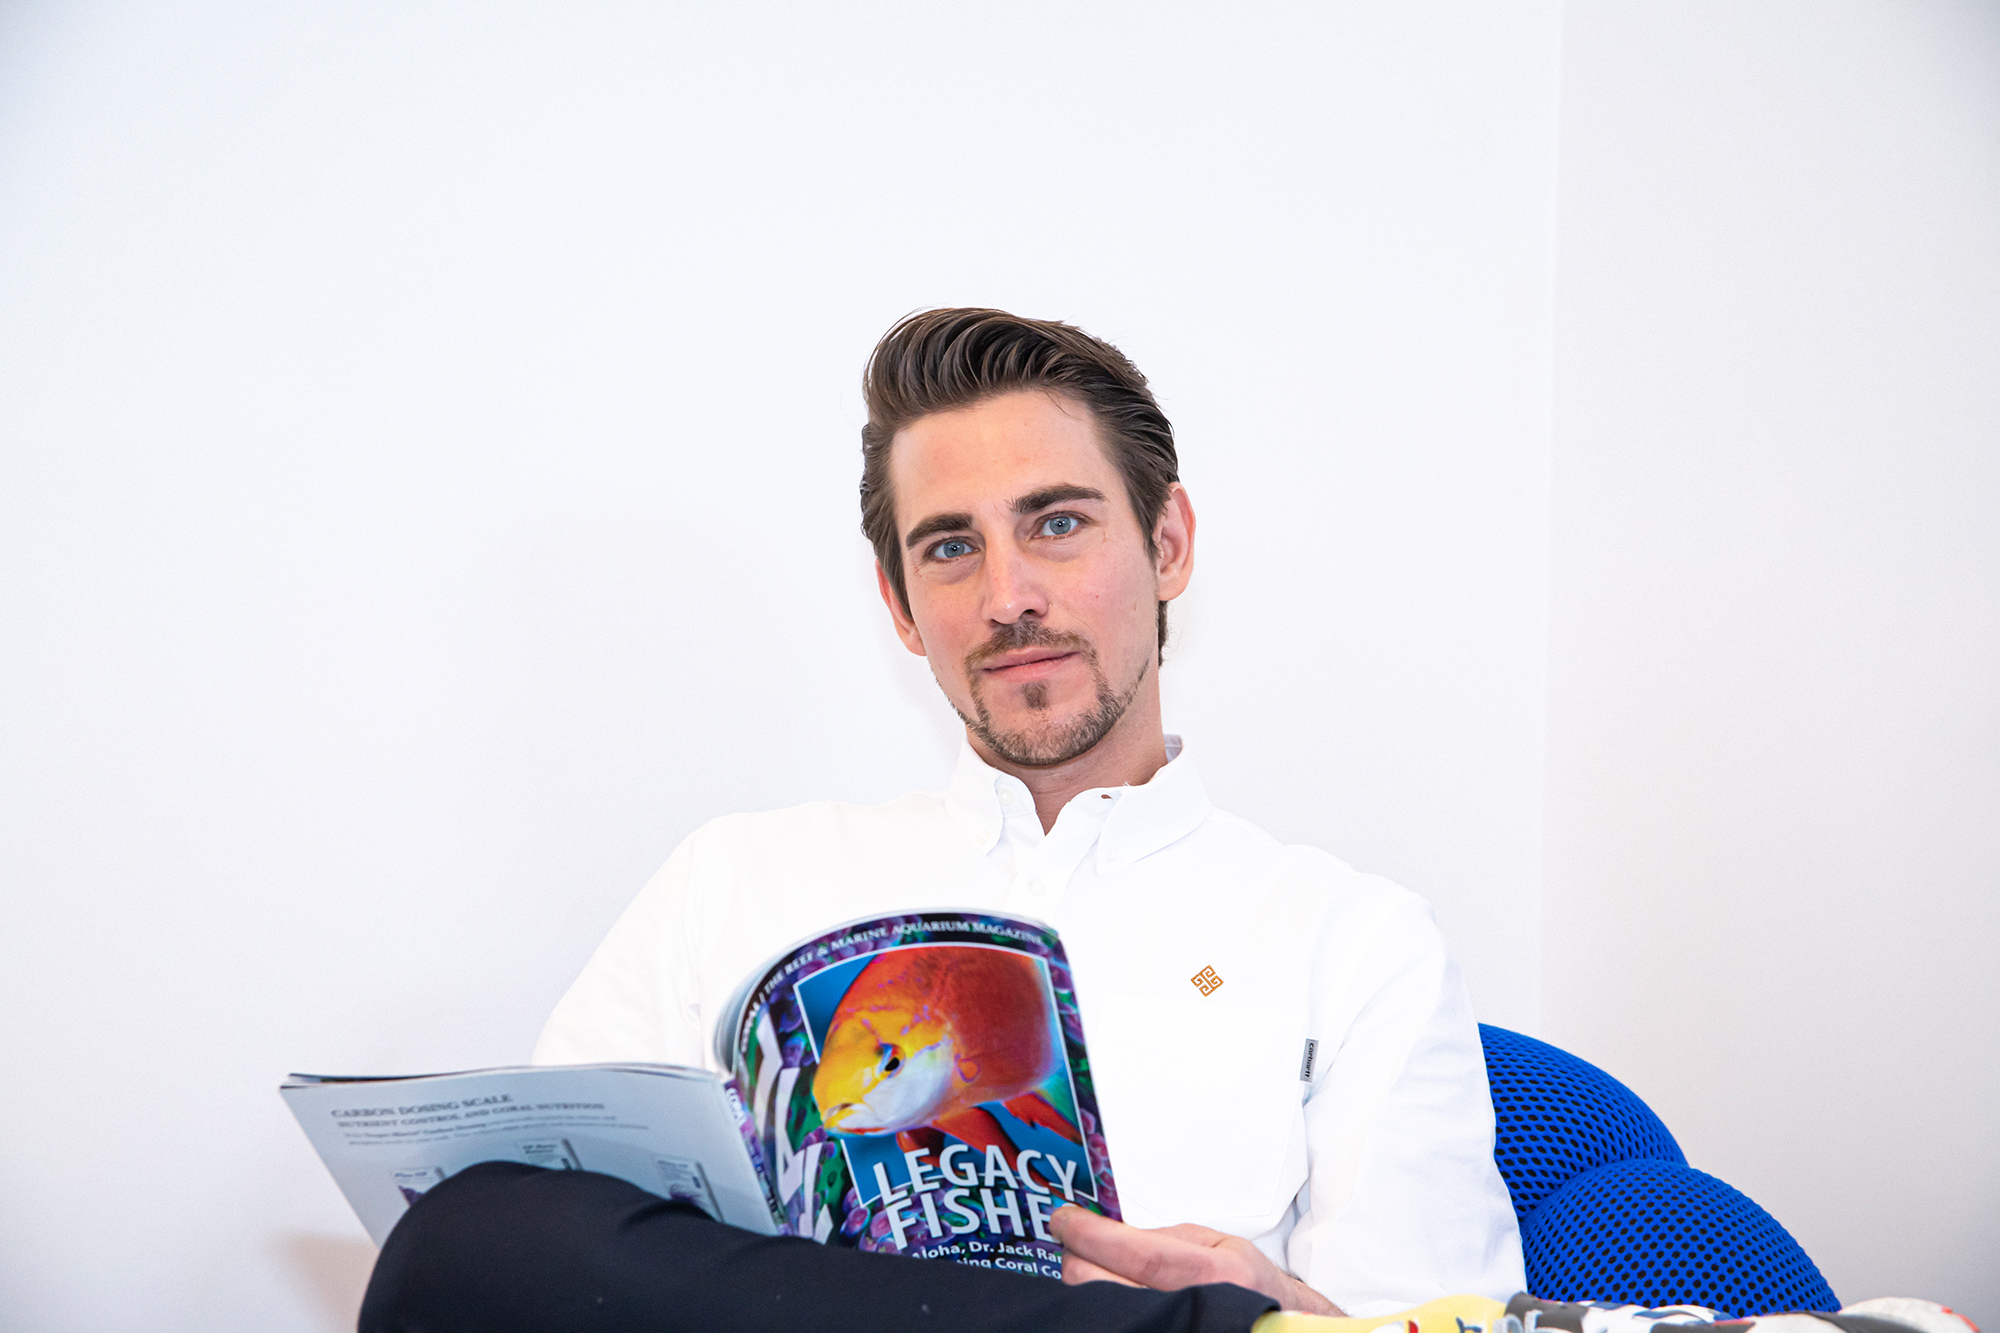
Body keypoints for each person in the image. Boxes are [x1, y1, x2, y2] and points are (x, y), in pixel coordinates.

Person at [360, 308, 1524, 1332]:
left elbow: (1430, 1327)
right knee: (468, 1234)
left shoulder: (1352, 941)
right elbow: (537, 1262)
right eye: (952, 547)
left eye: (1056, 523)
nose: (1008, 597)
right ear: (901, 606)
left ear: (1165, 544)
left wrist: (1270, 1304)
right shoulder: (730, 879)